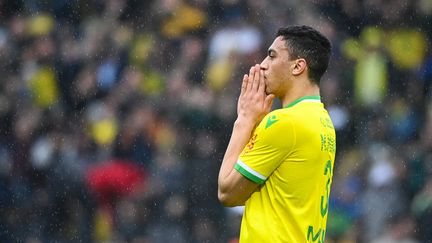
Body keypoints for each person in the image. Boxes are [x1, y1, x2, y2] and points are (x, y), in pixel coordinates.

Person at [218, 25, 336, 242]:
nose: (262, 65)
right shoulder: (323, 122)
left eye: (272, 56)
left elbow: (227, 192)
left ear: (298, 66)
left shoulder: (284, 122)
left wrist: (244, 120)